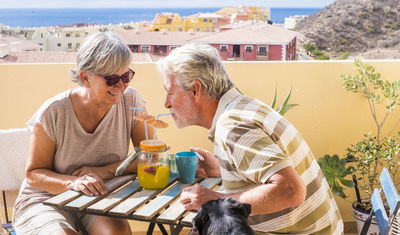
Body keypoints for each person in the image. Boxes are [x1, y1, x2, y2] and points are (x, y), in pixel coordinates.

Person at [157, 43, 343, 234]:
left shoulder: (232, 126)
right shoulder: (244, 107)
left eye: (170, 92)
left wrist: (214, 200)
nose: (166, 103)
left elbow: (290, 190)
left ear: (195, 89)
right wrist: (223, 169)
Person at [13, 32, 153, 235]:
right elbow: (34, 174)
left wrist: (104, 171)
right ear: (85, 77)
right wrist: (74, 182)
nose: (121, 86)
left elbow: (150, 158)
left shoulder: (131, 101)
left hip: (99, 195)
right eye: (112, 79)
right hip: (46, 200)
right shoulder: (54, 112)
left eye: (126, 76)